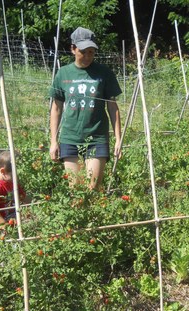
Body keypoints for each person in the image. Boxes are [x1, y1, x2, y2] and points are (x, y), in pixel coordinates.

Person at [49, 27, 122, 190]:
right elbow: (56, 109)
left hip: (97, 137)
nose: (88, 56)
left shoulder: (104, 73)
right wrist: (53, 141)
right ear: (73, 49)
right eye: (83, 51)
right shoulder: (63, 73)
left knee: (92, 188)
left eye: (91, 52)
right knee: (75, 189)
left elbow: (112, 107)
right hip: (70, 136)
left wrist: (118, 138)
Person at [0, 150, 26, 227]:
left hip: (15, 219)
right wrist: (5, 226)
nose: (17, 177)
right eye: (14, 174)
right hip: (2, 225)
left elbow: (24, 198)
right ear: (3, 171)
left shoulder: (12, 182)